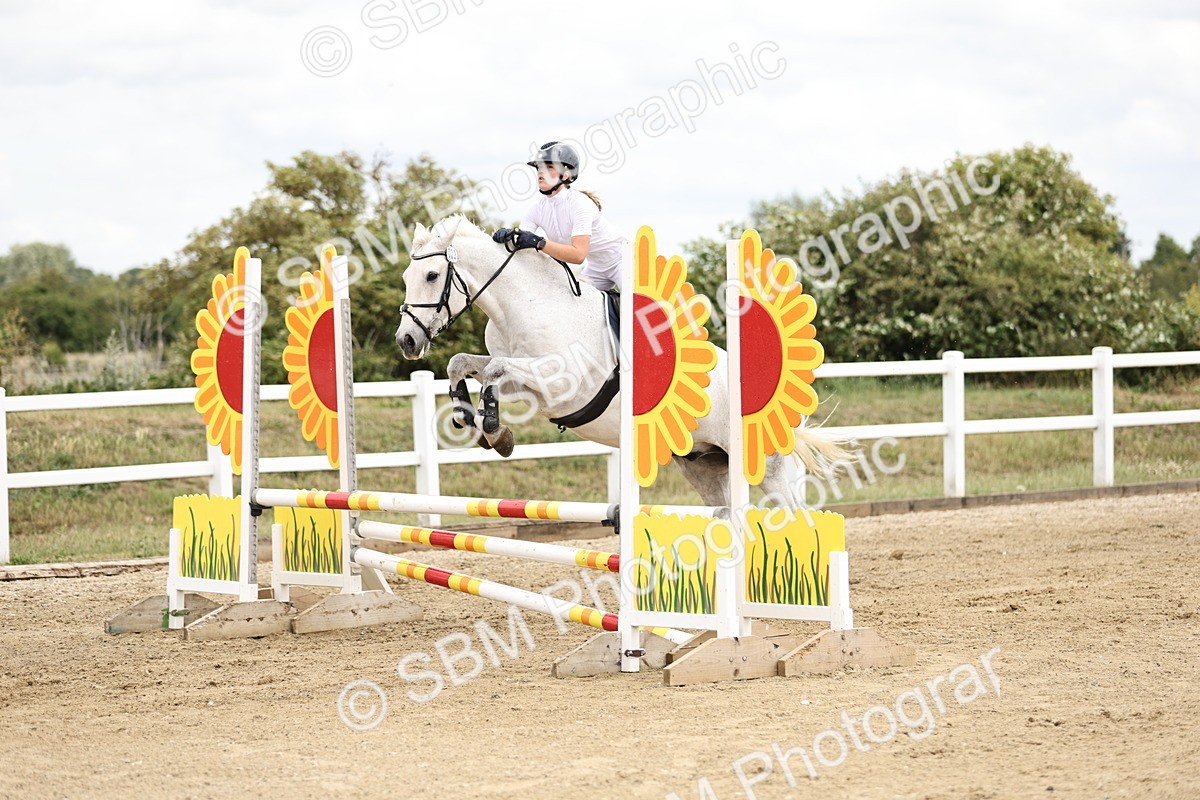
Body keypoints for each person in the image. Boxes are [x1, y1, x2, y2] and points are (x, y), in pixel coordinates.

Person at [492, 141, 626, 292]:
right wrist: (508, 237)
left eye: (549, 167)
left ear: (566, 175)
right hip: (596, 268)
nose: (541, 172)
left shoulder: (581, 204)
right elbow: (522, 241)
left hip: (623, 260)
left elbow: (578, 255)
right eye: (539, 167)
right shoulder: (535, 209)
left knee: (635, 304)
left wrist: (539, 242)